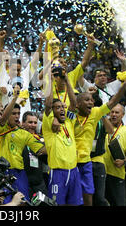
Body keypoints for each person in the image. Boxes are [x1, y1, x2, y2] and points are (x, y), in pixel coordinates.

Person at [76, 76, 126, 206]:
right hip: (76, 161)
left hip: (94, 162)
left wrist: (124, 87)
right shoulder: (74, 117)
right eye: (87, 101)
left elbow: (112, 105)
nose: (91, 104)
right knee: (78, 197)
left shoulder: (97, 115)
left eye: (92, 102)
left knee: (97, 197)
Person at [0, 86, 46, 203]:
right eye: (13, 113)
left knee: (23, 202)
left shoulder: (23, 134)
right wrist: (14, 98)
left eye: (18, 113)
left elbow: (41, 150)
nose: (17, 116)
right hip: (3, 172)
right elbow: (3, 120)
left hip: (20, 173)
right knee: (6, 203)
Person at [42, 65, 81, 205]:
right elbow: (47, 104)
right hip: (58, 173)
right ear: (53, 111)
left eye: (63, 107)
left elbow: (74, 103)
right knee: (56, 204)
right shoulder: (48, 125)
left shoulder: (69, 121)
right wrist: (51, 82)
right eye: (58, 108)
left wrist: (67, 80)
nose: (63, 110)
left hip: (74, 172)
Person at [102, 103, 126, 206]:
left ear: (122, 115)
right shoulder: (103, 128)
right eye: (112, 112)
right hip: (101, 173)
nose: (114, 114)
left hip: (117, 175)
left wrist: (124, 161)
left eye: (117, 112)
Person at [21, 111, 49, 198]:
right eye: (30, 122)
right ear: (23, 123)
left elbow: (47, 161)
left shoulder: (40, 139)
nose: (33, 125)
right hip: (23, 180)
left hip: (38, 181)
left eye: (35, 123)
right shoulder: (18, 138)